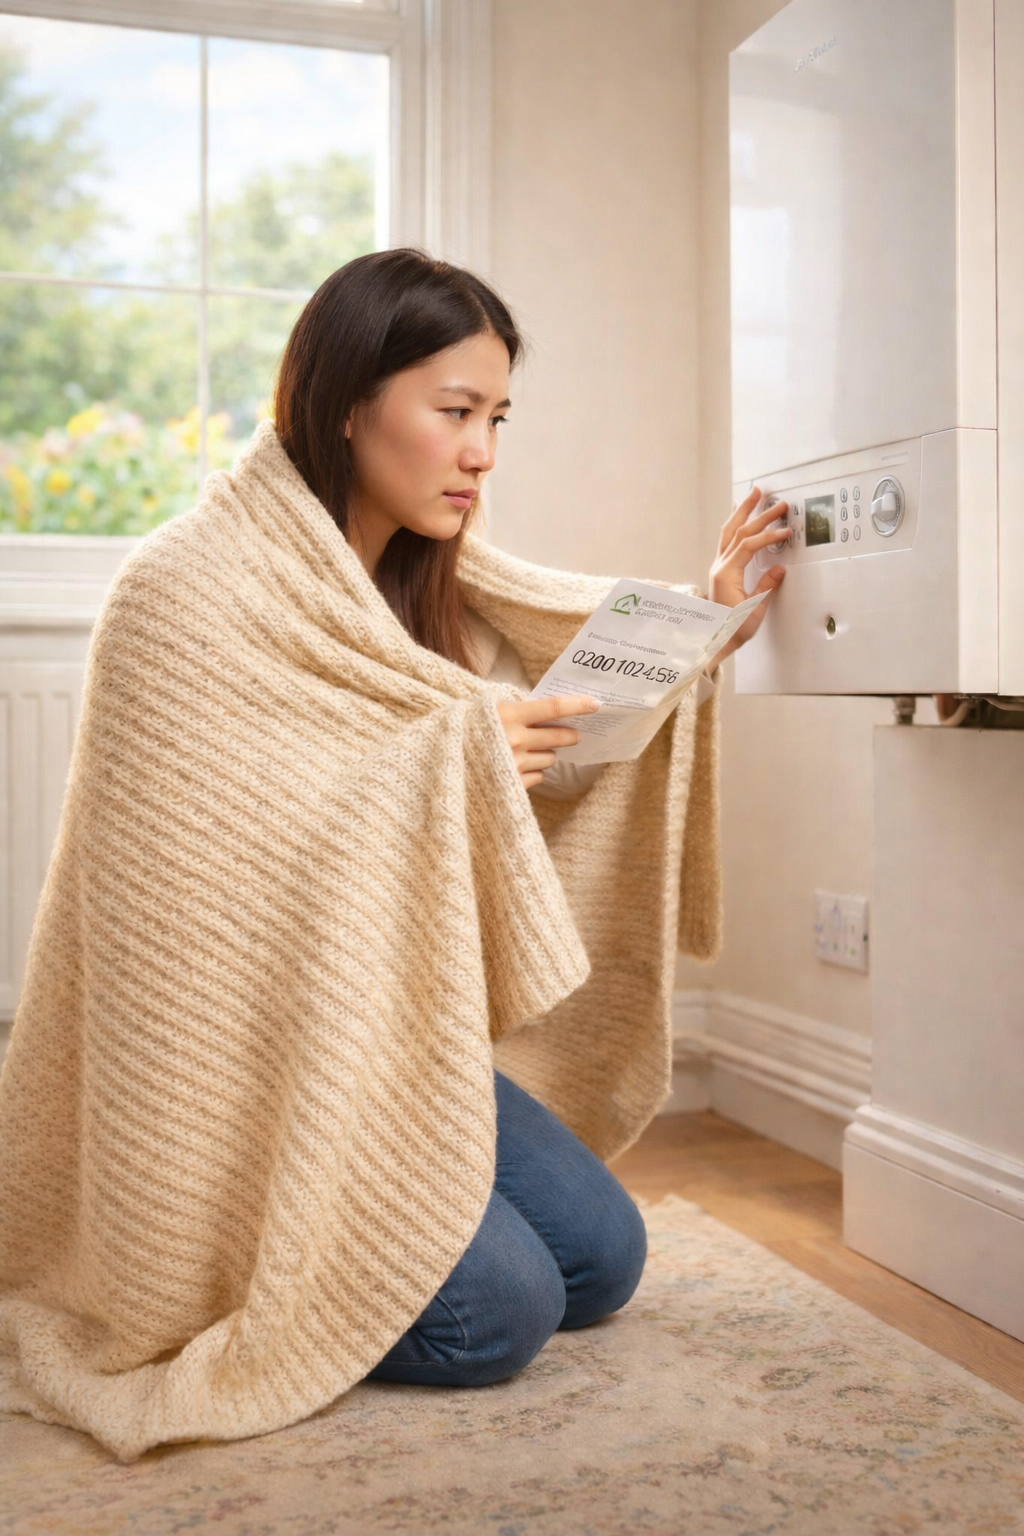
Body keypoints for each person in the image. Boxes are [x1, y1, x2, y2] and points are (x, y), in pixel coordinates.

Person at [270, 247, 790, 1387]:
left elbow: (564, 738)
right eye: (454, 411)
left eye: (498, 418)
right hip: (276, 1059)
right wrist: (450, 761)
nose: (479, 454)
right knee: (493, 1320)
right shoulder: (202, 588)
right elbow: (217, 857)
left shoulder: (430, 585)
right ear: (347, 404)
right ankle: (253, 1256)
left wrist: (703, 624)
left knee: (601, 1261)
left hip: (408, 1035)